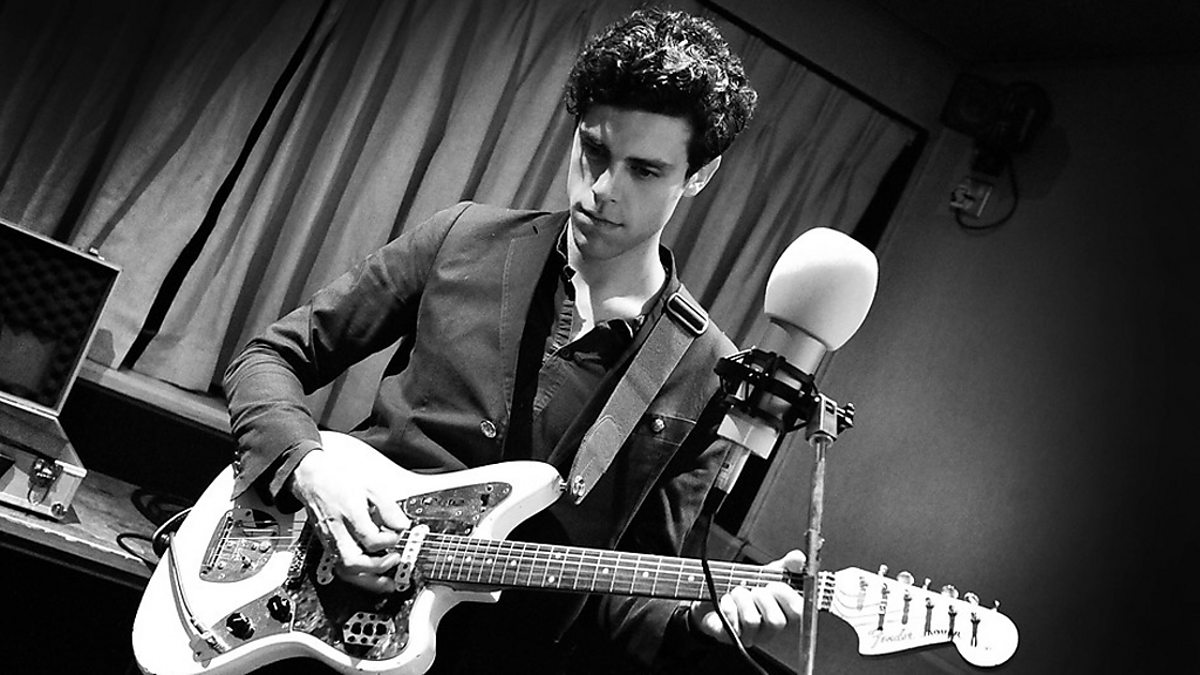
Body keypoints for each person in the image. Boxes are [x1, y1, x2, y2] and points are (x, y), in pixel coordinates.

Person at [224, 7, 804, 673]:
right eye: (593, 151)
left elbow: (630, 596)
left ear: (699, 175)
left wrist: (700, 620)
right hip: (307, 599)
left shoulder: (708, 371)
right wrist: (311, 470)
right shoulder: (461, 238)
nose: (602, 190)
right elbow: (271, 356)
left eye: (645, 171)